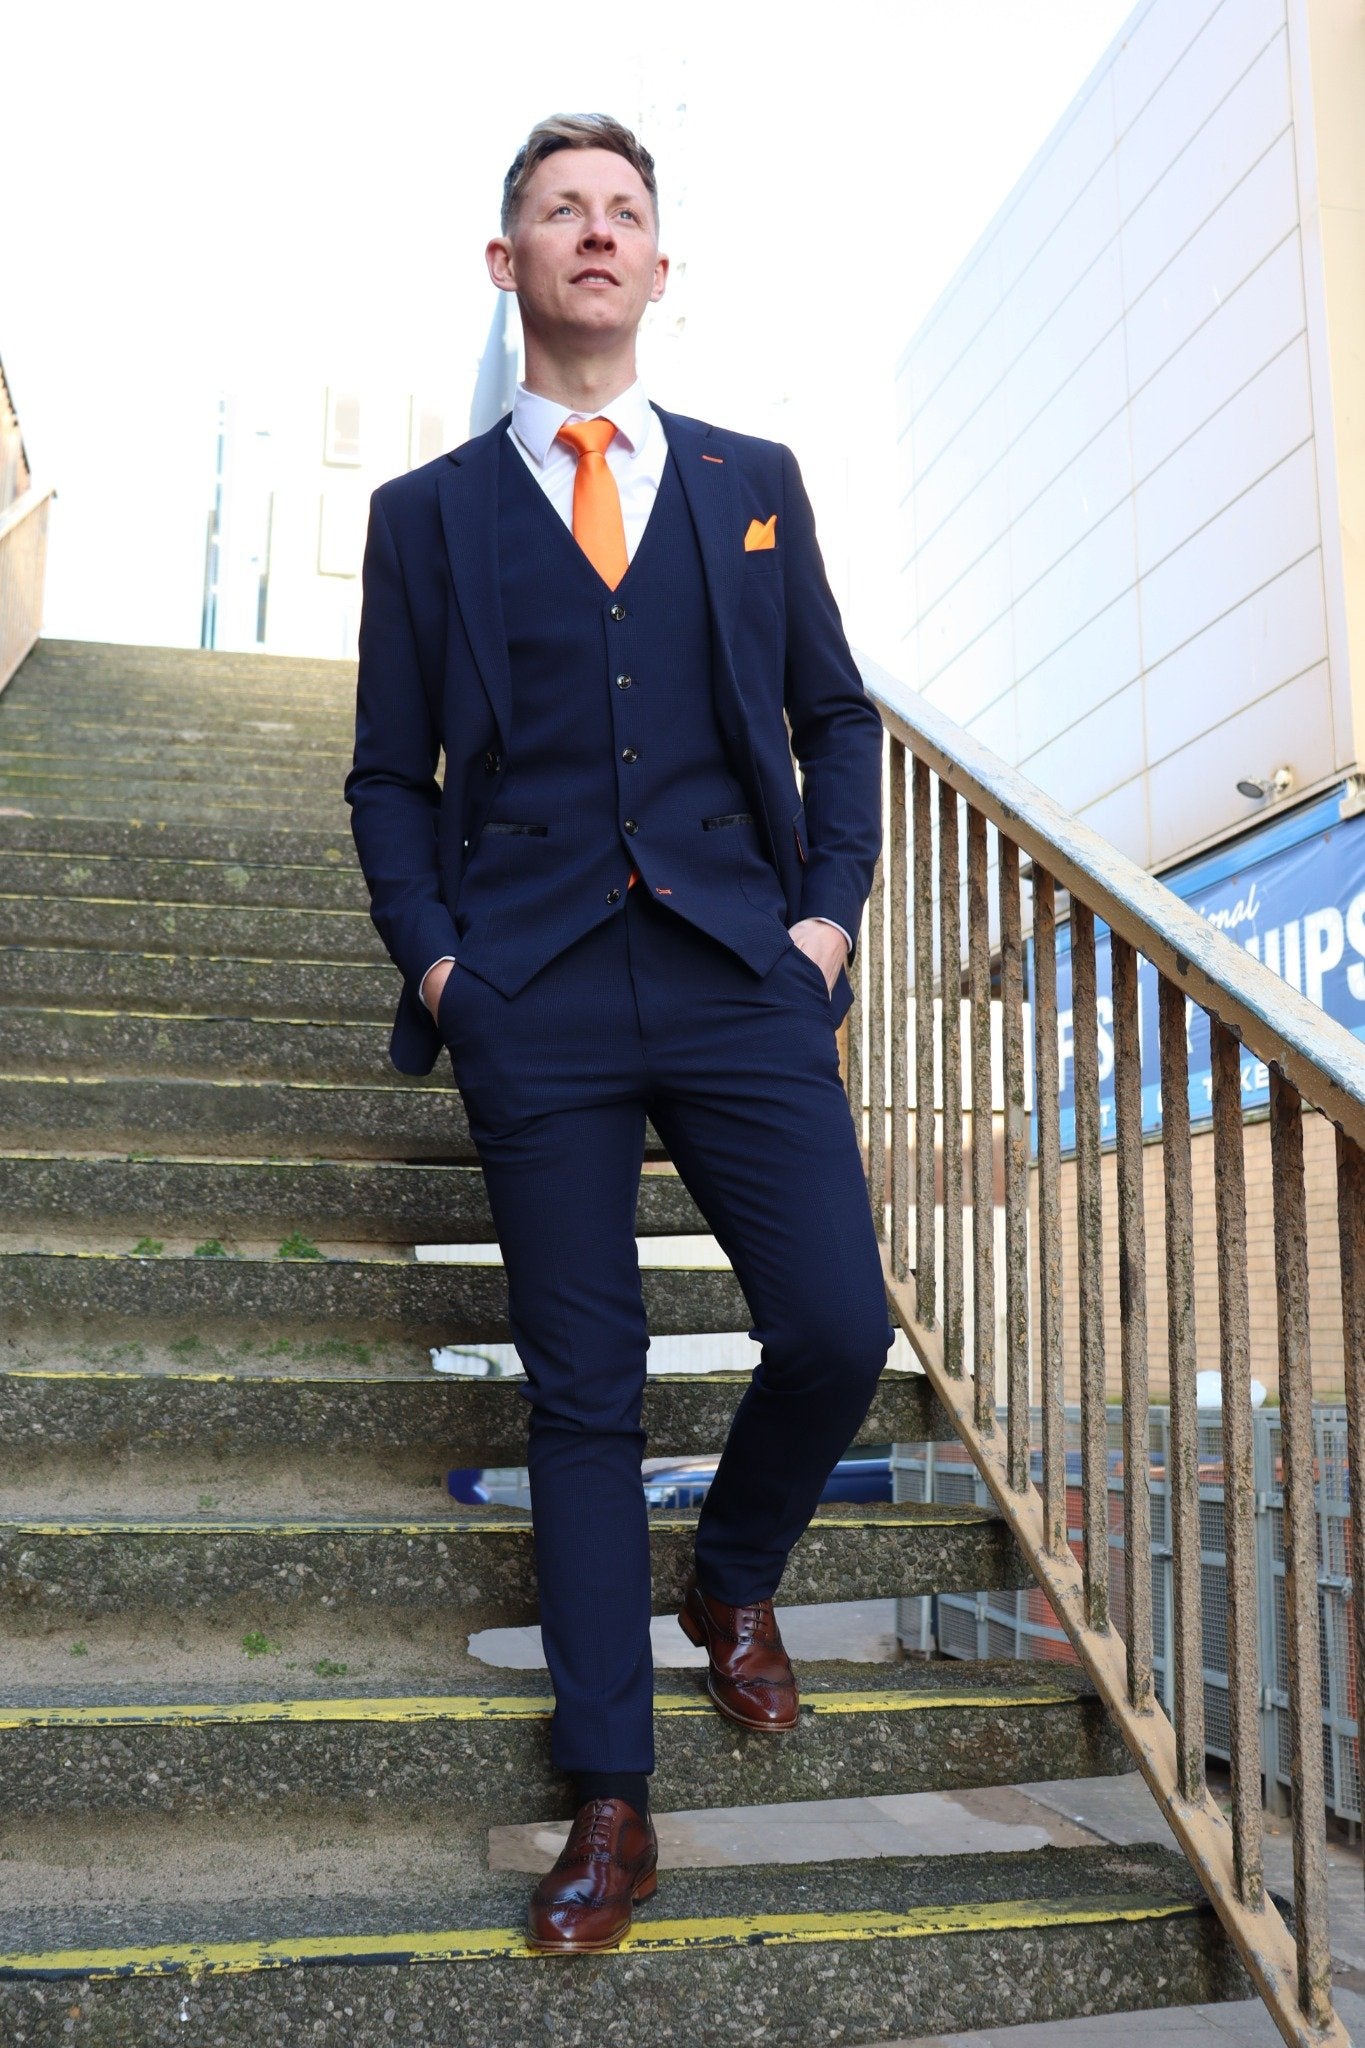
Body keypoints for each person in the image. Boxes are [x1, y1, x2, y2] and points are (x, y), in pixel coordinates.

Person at [344, 112, 895, 1954]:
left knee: (834, 1319)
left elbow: (836, 713)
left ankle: (728, 1579)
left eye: (624, 212)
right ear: (506, 266)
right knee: (586, 1400)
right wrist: (441, 968)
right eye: (560, 211)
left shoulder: (754, 478)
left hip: (742, 970)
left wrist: (823, 923)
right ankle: (613, 1799)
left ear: (660, 267)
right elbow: (385, 777)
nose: (596, 233)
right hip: (535, 996)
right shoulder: (421, 517)